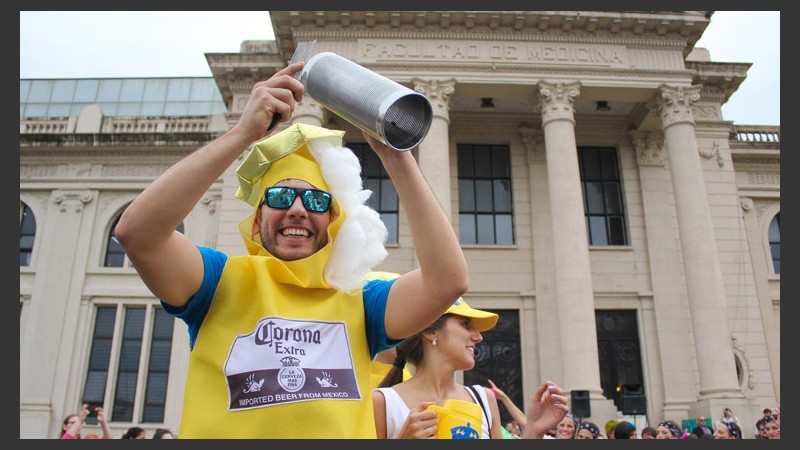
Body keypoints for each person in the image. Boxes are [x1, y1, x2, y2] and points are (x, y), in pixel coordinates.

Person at [114, 61, 469, 438]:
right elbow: (138, 233)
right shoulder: (216, 282)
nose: (298, 209)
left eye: (316, 201)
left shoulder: (361, 302)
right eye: (281, 196)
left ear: (332, 220)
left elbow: (447, 280)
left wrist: (395, 156)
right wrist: (241, 134)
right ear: (255, 221)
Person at [372, 298, 569, 439]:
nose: (478, 337)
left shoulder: (484, 399)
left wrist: (533, 430)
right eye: (466, 325)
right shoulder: (383, 402)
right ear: (431, 331)